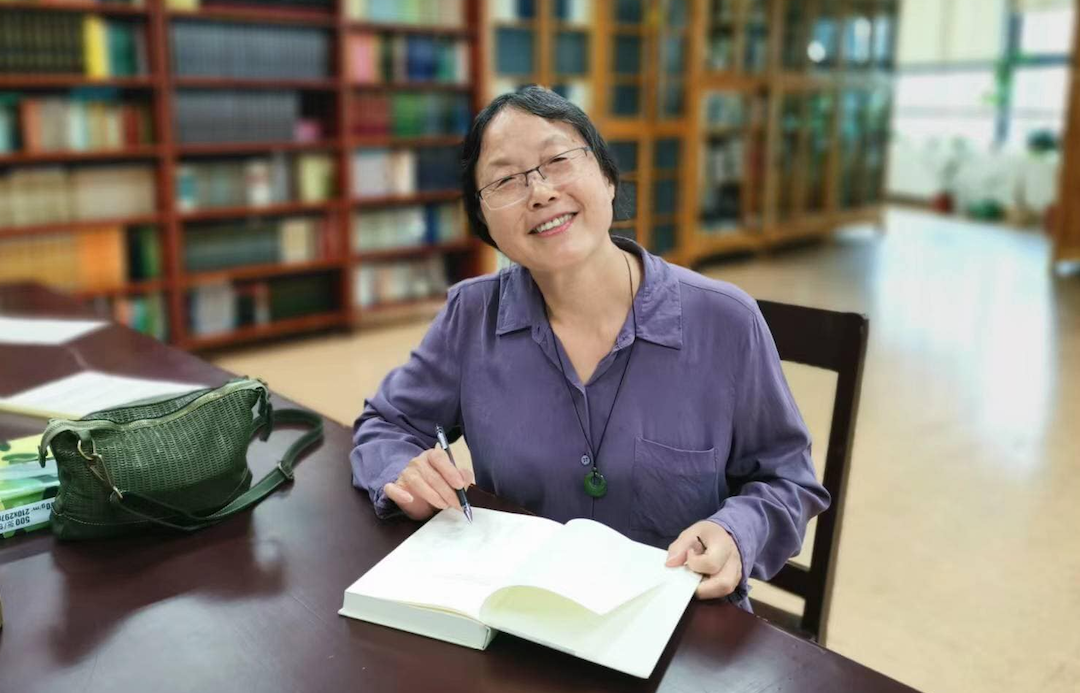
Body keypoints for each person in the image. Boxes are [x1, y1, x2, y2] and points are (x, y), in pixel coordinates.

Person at [351, 86, 829, 607]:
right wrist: (402, 472)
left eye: (557, 160)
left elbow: (788, 480)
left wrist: (738, 532)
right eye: (505, 179)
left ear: (605, 175)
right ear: (483, 221)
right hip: (520, 613)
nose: (539, 192)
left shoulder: (726, 321)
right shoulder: (471, 316)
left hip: (677, 621)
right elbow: (386, 426)